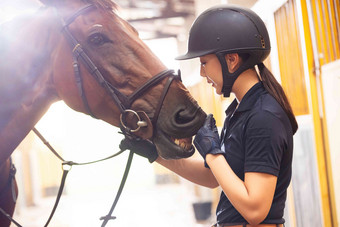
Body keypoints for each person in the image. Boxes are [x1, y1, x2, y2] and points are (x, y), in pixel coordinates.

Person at [120, 4, 298, 227]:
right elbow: (213, 177)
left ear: (231, 60)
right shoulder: (242, 110)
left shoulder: (264, 117)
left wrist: (212, 152)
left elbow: (256, 210)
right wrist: (154, 152)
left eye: (204, 63)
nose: (202, 73)